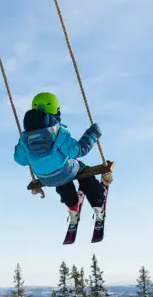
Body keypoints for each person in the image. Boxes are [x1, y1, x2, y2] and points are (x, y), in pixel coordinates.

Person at [13, 92, 105, 223]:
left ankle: (73, 206)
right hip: (66, 170)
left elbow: (20, 160)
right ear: (55, 110)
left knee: (61, 180)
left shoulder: (25, 138)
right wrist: (93, 134)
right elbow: (78, 151)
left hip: (45, 178)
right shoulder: (57, 132)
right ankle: (97, 201)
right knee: (83, 172)